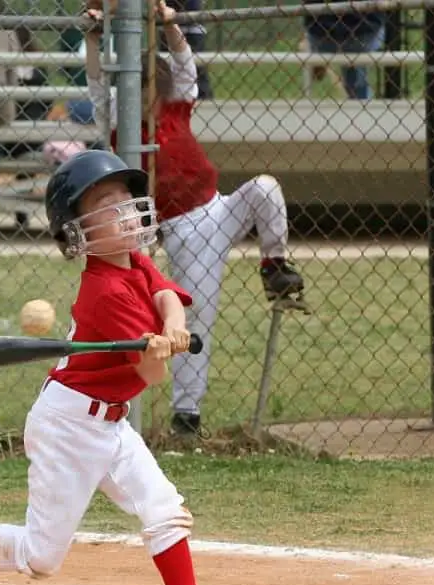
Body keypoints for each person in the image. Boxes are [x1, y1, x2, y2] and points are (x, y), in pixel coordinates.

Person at [0, 149, 236, 585]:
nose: (125, 210)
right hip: (68, 426)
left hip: (110, 422)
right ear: (79, 231)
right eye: (107, 203)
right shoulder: (103, 292)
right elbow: (150, 374)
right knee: (41, 558)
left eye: (126, 198)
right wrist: (157, 353)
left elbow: (166, 293)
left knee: (164, 509)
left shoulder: (136, 263)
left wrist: (171, 328)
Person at [86, 0, 305, 437]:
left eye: (153, 83)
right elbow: (95, 82)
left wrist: (168, 24)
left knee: (264, 187)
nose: (151, 92)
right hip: (186, 227)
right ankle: (187, 414)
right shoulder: (117, 120)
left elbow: (185, 64)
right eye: (144, 85)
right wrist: (94, 38)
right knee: (194, 313)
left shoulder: (176, 109)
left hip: (215, 206)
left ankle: (275, 265)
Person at [302, 9, 386, 100]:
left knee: (311, 19)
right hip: (363, 33)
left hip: (320, 33)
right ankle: (359, 98)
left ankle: (316, 51)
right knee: (355, 54)